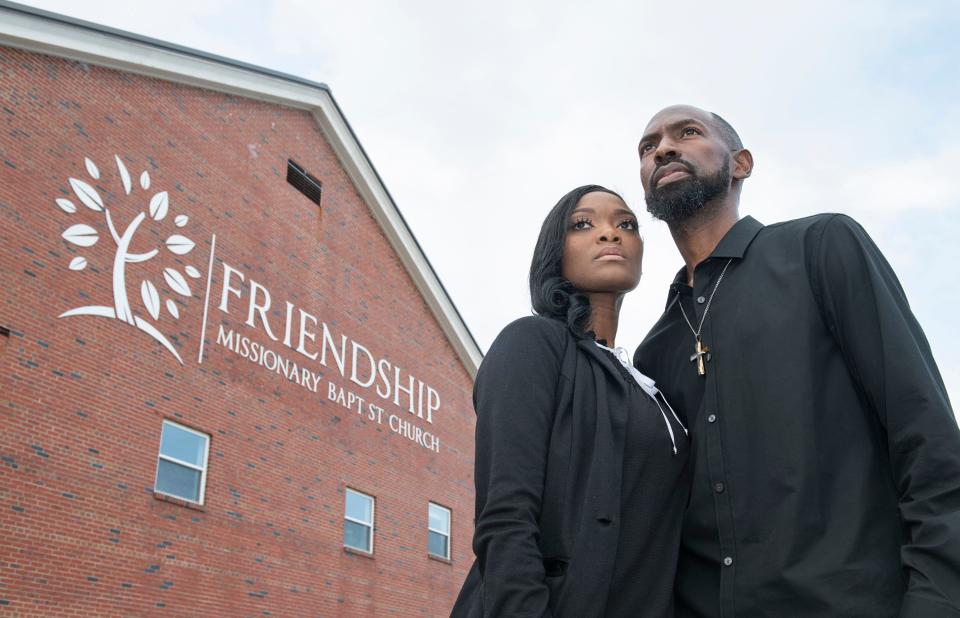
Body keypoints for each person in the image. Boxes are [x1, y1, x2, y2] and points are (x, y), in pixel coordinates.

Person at [633, 104, 960, 617]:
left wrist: (936, 601)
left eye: (687, 133)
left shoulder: (821, 248)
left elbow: (927, 438)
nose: (663, 149)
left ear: (741, 163)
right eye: (648, 147)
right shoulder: (655, 350)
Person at [452, 185, 690, 617]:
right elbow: (505, 517)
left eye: (626, 224)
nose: (609, 234)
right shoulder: (533, 343)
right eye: (583, 224)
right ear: (554, 252)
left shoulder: (651, 387)